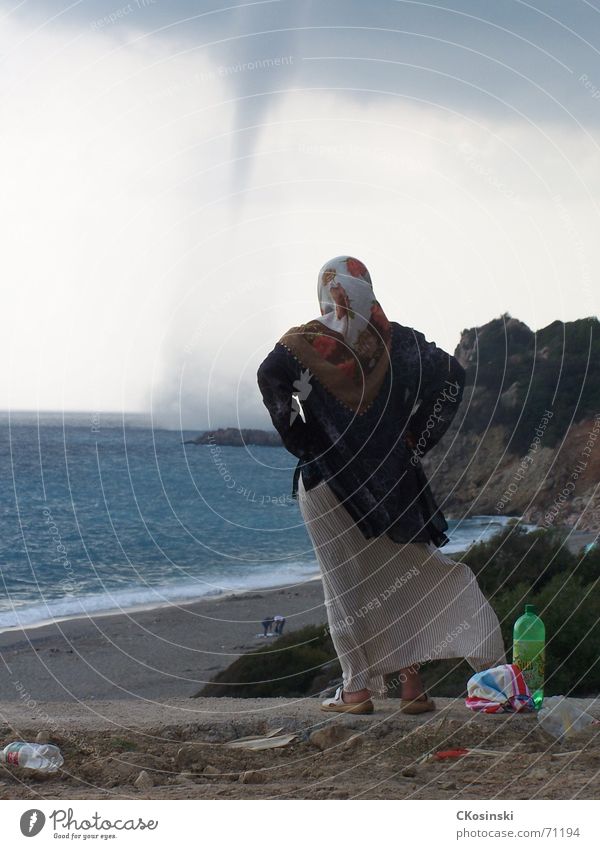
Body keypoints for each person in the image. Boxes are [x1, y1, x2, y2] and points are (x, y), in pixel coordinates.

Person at [257, 255, 506, 714]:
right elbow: (453, 377)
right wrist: (416, 436)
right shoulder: (401, 343)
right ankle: (414, 687)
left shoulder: (300, 344)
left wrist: (305, 440)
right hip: (391, 483)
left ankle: (356, 691)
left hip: (326, 485)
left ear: (326, 291)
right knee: (412, 574)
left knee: (346, 587)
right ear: (365, 289)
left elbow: (269, 379)